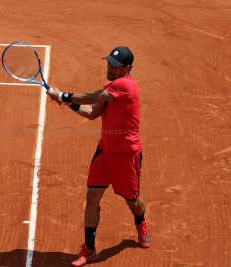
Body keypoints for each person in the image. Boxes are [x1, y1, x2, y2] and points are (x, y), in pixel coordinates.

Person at [46, 46, 151, 267]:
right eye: (108, 64)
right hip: (104, 152)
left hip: (126, 155)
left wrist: (63, 94)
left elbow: (93, 96)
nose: (110, 68)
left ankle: (141, 222)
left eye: (115, 66)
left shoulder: (126, 85)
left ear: (127, 68)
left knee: (133, 201)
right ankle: (90, 249)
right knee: (92, 197)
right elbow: (92, 112)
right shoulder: (111, 87)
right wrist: (67, 102)